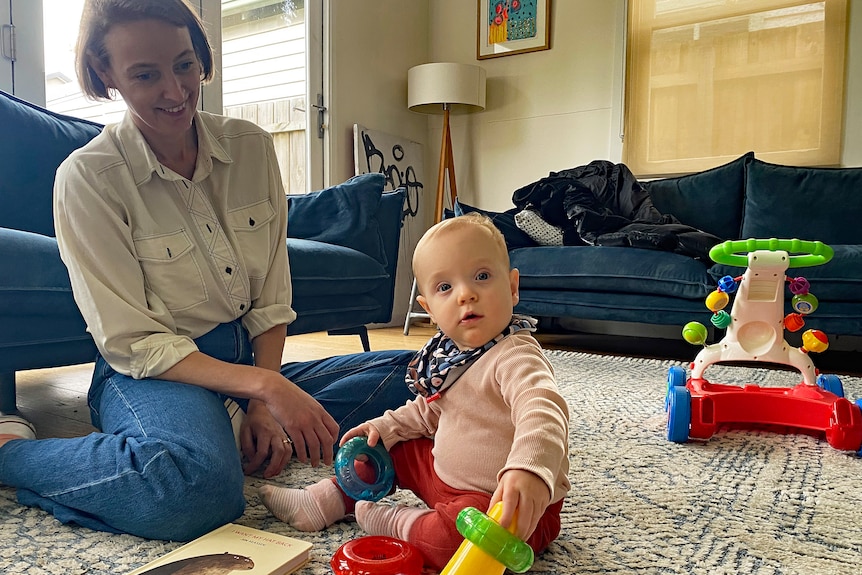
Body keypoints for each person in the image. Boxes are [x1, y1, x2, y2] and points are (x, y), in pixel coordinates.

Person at [0, 0, 414, 542]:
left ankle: (228, 423)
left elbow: (270, 295)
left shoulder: (252, 148)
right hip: (149, 374)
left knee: (429, 377)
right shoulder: (87, 179)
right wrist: (266, 388)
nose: (174, 92)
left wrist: (266, 400)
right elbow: (133, 343)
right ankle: (13, 453)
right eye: (145, 75)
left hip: (244, 357)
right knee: (197, 490)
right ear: (107, 75)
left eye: (184, 64)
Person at [260, 213, 571, 569]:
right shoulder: (452, 358)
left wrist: (529, 471)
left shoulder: (516, 354)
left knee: (455, 543)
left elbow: (543, 411)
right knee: (389, 450)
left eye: (482, 277)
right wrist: (384, 429)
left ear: (513, 287)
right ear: (430, 311)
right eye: (444, 288)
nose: (466, 294)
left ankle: (397, 522)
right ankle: (323, 499)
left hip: (505, 504)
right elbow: (429, 411)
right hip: (443, 475)